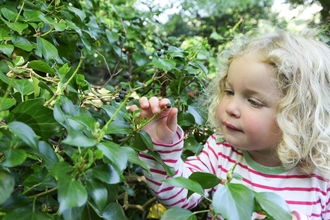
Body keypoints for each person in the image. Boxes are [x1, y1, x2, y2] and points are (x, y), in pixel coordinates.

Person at [130, 29, 330, 220]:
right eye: (229, 92)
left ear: (300, 116)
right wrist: (160, 148)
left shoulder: (322, 178)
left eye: (253, 101)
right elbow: (180, 195)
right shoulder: (221, 150)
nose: (231, 107)